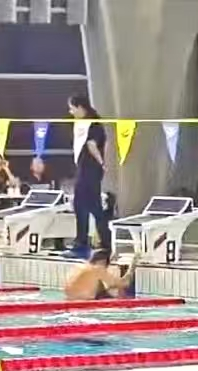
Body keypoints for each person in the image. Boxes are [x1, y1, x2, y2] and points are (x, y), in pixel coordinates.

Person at [63, 95, 111, 259]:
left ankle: (84, 243)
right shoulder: (87, 123)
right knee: (90, 206)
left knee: (85, 205)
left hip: (89, 170)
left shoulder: (93, 124)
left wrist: (101, 162)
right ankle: (102, 242)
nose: (71, 112)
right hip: (86, 169)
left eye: (72, 108)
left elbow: (92, 145)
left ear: (80, 107)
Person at [63, 249, 138, 300]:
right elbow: (125, 283)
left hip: (69, 301)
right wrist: (132, 266)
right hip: (86, 303)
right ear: (103, 262)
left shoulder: (78, 267)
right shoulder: (97, 269)